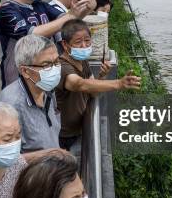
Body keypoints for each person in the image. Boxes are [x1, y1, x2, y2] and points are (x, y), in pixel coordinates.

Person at [0, 0, 94, 88]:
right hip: (18, 77)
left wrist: (88, 8)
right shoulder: (7, 10)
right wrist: (71, 15)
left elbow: (66, 21)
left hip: (43, 72)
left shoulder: (39, 4)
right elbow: (31, 35)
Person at [56, 20, 141, 153]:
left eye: (87, 40)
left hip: (79, 128)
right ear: (65, 45)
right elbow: (78, 84)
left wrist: (102, 76)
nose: (84, 45)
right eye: (78, 42)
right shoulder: (62, 66)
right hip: (64, 135)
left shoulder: (82, 61)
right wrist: (118, 83)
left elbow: (92, 92)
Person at [0, 34, 62, 152]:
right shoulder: (12, 106)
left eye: (57, 62)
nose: (55, 69)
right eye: (46, 65)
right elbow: (8, 158)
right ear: (25, 71)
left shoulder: (47, 89)